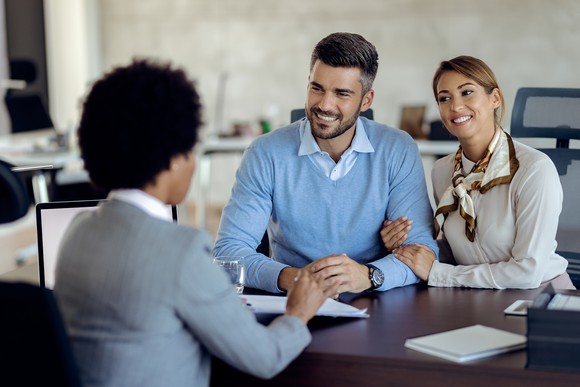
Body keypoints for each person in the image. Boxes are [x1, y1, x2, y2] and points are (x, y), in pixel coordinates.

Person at [53, 59, 340, 387]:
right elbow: (264, 357)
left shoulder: (78, 231)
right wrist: (299, 312)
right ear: (174, 159)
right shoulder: (180, 251)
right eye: (191, 150)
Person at [213, 32, 438, 295]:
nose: (324, 104)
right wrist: (294, 279)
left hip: (375, 300)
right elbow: (228, 253)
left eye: (341, 93)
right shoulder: (265, 153)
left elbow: (423, 252)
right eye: (316, 88)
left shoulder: (398, 149)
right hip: (292, 301)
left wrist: (370, 275)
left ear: (366, 100)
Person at [381, 55, 574, 290]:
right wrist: (407, 247)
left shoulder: (534, 170)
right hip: (478, 296)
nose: (455, 106)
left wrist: (439, 273)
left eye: (467, 92)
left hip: (540, 295)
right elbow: (459, 252)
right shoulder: (442, 172)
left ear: (495, 98)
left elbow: (528, 272)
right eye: (444, 98)